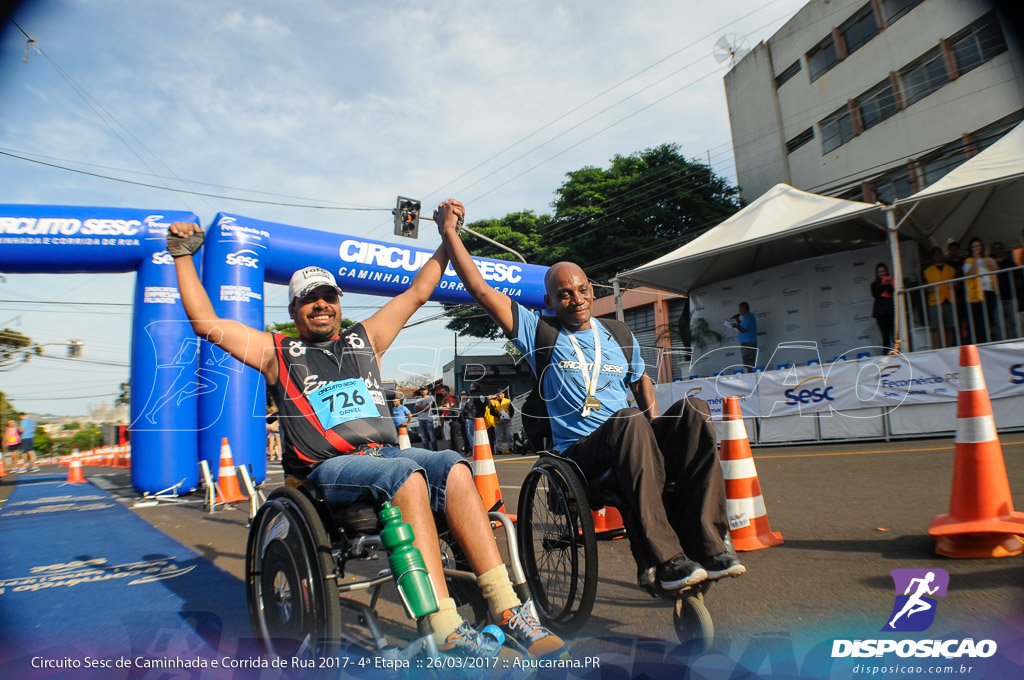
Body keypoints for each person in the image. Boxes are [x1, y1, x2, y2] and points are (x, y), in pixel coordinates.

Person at [166, 216, 566, 660]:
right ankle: (443, 627)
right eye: (308, 300)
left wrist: (446, 236)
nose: (320, 305)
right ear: (294, 311)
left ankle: (507, 607)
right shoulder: (278, 352)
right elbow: (206, 323)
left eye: (327, 297)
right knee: (406, 475)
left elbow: (417, 292)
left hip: (387, 456)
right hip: (332, 470)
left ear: (338, 303)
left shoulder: (365, 339)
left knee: (453, 465)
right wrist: (184, 255)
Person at [437, 199, 745, 592]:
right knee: (628, 421)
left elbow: (641, 382)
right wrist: (450, 232)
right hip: (581, 454)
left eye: (582, 290)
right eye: (564, 294)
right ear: (548, 302)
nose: (576, 298)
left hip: (633, 439)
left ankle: (709, 545)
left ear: (593, 292)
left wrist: (653, 428)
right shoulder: (539, 333)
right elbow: (480, 290)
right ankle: (667, 560)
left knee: (695, 410)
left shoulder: (618, 334)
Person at [963, 237, 1000, 344]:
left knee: (991, 318)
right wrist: (976, 258)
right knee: (979, 319)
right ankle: (981, 341)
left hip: (989, 291)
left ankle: (993, 339)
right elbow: (970, 274)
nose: (977, 248)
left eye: (978, 246)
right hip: (977, 294)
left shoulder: (987, 259)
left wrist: (987, 256)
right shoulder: (969, 261)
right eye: (974, 246)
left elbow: (995, 268)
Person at [923, 247, 957, 349]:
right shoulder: (927, 271)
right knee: (936, 327)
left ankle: (949, 347)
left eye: (939, 253)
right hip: (935, 301)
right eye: (935, 254)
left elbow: (956, 283)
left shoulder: (951, 269)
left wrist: (955, 284)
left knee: (950, 326)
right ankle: (938, 348)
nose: (938, 256)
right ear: (933, 257)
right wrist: (928, 288)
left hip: (949, 300)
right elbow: (925, 286)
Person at [990, 242, 1020, 339]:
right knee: (999, 324)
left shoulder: (1009, 262)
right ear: (994, 251)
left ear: (1003, 249)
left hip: (1010, 296)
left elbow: (1018, 275)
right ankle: (1001, 344)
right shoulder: (992, 263)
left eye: (1000, 248)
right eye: (996, 248)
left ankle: (1016, 342)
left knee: (1013, 323)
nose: (998, 250)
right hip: (997, 298)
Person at [947, 241, 970, 343]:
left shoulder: (965, 261)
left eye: (956, 249)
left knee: (968, 319)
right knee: (957, 321)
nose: (955, 251)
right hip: (953, 297)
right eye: (952, 249)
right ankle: (958, 342)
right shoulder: (948, 264)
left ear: (959, 250)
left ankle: (970, 339)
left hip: (966, 294)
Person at [870, 263, 895, 350]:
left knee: (895, 334)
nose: (882, 273)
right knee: (885, 336)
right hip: (880, 312)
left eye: (883, 271)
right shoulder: (874, 284)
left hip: (891, 310)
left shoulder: (892, 281)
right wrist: (883, 284)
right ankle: (887, 356)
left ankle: (898, 354)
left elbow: (892, 292)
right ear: (877, 273)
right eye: (879, 272)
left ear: (886, 271)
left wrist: (889, 283)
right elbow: (876, 294)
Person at [729, 302, 757, 372]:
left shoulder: (747, 317)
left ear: (743, 308)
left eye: (739, 308)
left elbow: (743, 329)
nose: (739, 310)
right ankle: (751, 379)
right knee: (748, 364)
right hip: (748, 342)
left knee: (748, 364)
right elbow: (742, 327)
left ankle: (751, 380)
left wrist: (735, 325)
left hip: (748, 343)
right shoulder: (748, 317)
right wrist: (738, 320)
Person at [486, 391, 514, 455]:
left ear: (503, 394)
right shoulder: (494, 402)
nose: (500, 396)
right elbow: (491, 412)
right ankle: (499, 449)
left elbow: (512, 410)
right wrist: (497, 415)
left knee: (510, 435)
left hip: (507, 421)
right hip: (498, 422)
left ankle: (511, 447)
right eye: (498, 394)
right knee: (498, 437)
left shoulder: (507, 401)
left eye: (501, 394)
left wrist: (510, 417)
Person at [413, 386, 438, 452]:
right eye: (421, 390)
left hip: (428, 419)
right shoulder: (418, 399)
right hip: (421, 419)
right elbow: (415, 409)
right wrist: (423, 407)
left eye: (424, 390)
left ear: (427, 391)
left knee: (432, 436)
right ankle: (427, 451)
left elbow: (427, 408)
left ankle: (435, 451)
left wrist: (419, 407)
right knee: (423, 438)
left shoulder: (430, 398)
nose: (422, 391)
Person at [455, 388, 472, 454]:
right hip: (461, 421)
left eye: (464, 394)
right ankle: (466, 450)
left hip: (468, 420)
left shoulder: (469, 402)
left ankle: (470, 450)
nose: (463, 395)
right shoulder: (459, 403)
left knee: (469, 436)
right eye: (461, 394)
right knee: (464, 436)